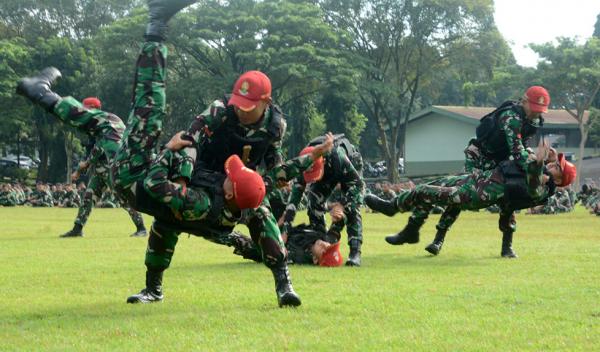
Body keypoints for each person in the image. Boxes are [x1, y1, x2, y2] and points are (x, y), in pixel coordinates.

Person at [16, 0, 310, 307]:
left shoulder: (206, 196)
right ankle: (41, 93)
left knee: (150, 110)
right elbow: (193, 140)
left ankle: (156, 26)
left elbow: (162, 180)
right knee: (111, 126)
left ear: (266, 101)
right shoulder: (222, 120)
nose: (240, 109)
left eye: (248, 106)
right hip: (180, 184)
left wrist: (170, 152)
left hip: (138, 177)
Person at [365, 140, 576, 257]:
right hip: (481, 181)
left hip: (480, 194)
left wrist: (539, 163)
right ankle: (415, 231)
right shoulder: (543, 176)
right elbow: (523, 160)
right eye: (554, 163)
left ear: (558, 181)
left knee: (425, 190)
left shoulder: (541, 187)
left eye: (557, 167)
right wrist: (541, 157)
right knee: (440, 187)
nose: (553, 165)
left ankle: (393, 207)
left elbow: (531, 181)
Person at [60, 97, 147, 238]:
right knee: (88, 198)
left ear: (93, 108)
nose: (83, 111)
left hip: (111, 168)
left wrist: (82, 167)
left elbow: (99, 148)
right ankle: (77, 228)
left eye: (85, 108)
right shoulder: (95, 123)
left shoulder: (105, 122)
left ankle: (141, 228)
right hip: (100, 169)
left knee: (123, 198)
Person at [280, 134, 365, 266]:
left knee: (351, 207)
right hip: (325, 173)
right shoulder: (302, 164)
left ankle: (355, 252)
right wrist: (284, 232)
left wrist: (341, 205)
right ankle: (321, 239)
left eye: (315, 175)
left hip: (348, 167)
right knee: (313, 200)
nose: (314, 180)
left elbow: (359, 186)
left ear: (323, 162)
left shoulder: (338, 158)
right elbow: (293, 203)